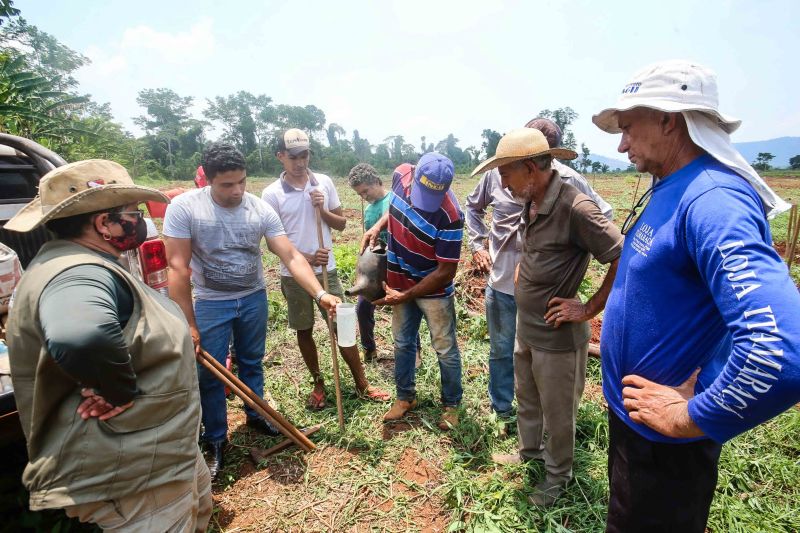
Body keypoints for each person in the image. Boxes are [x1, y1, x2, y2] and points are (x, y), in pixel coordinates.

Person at [592, 59, 800, 532]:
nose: (621, 144)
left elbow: (780, 348)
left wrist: (689, 415)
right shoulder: (671, 186)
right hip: (637, 427)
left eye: (628, 128)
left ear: (669, 119)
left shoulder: (713, 199)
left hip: (665, 448)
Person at [5, 160, 212, 531]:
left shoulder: (83, 261)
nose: (140, 221)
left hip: (157, 453)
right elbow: (81, 336)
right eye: (132, 213)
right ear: (105, 224)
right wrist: (116, 389)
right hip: (134, 473)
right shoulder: (78, 271)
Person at [164, 142, 341, 480]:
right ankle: (215, 438)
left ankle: (256, 413)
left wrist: (320, 293)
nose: (237, 191)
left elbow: (289, 255)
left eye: (242, 182)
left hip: (252, 297)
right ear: (208, 181)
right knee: (211, 373)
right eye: (227, 185)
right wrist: (187, 322)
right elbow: (177, 268)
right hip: (211, 301)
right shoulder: (185, 208)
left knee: (251, 360)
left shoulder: (259, 209)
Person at [471, 129, 622, 506]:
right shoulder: (532, 200)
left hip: (558, 336)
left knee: (558, 412)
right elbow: (537, 247)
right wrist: (524, 266)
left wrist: (588, 308)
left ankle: (558, 477)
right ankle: (529, 451)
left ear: (529, 168)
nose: (502, 182)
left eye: (506, 173)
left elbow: (622, 256)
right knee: (528, 397)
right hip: (529, 326)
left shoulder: (576, 207)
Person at [466, 117, 612, 424]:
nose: (506, 183)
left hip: (547, 300)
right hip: (503, 284)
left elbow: (604, 225)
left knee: (545, 365)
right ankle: (504, 412)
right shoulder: (500, 174)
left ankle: (549, 426)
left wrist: (576, 274)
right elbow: (473, 208)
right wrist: (477, 246)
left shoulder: (570, 183)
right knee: (503, 353)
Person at [262, 129, 389, 410]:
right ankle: (319, 383)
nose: (300, 162)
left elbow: (341, 224)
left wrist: (321, 211)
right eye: (293, 157)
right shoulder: (271, 194)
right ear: (280, 156)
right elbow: (273, 244)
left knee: (341, 325)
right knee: (304, 329)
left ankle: (362, 384)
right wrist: (307, 256)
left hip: (327, 271)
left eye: (304, 155)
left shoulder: (325, 183)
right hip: (292, 274)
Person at [362, 152, 465, 431]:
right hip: (398, 279)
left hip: (433, 291)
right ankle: (405, 397)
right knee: (402, 343)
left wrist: (406, 296)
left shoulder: (451, 215)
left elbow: (446, 271)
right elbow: (393, 208)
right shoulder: (400, 174)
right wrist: (378, 225)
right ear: (414, 177)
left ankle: (452, 404)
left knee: (444, 348)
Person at [348, 163, 422, 365]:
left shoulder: (394, 199)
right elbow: (370, 243)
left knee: (405, 310)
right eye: (360, 194)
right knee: (362, 308)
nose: (364, 196)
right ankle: (369, 350)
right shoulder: (370, 210)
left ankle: (415, 354)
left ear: (378, 182)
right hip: (377, 270)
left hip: (398, 267)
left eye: (366, 190)